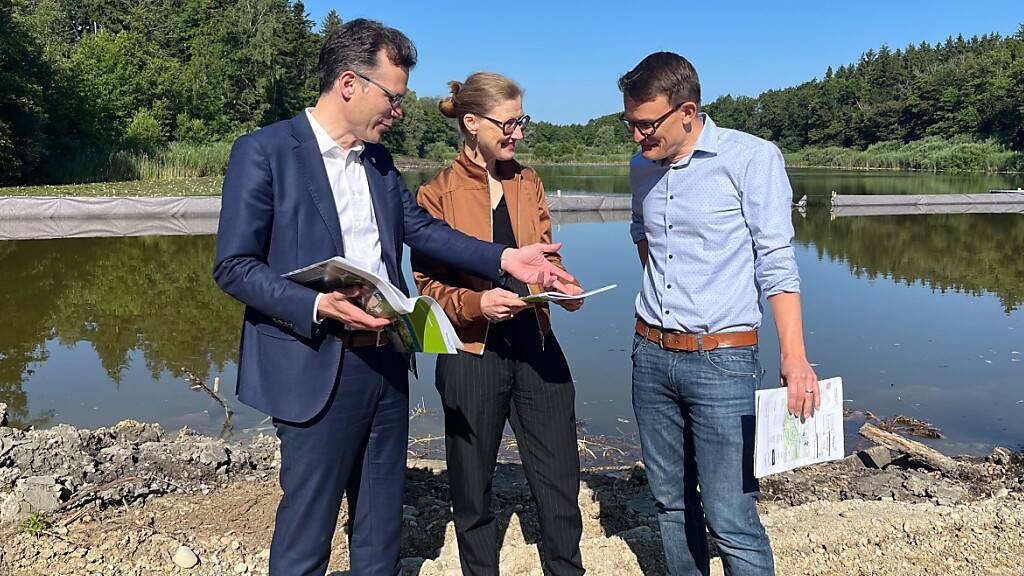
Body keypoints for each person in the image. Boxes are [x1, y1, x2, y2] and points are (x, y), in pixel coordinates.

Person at [212, 20, 574, 576]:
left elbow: (424, 231)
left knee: (381, 527)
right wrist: (316, 305)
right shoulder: (264, 152)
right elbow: (234, 267)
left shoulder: (379, 162)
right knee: (307, 529)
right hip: (314, 362)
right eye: (393, 97)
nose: (399, 111)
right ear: (350, 84)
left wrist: (505, 259)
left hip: (384, 358)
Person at [620, 52, 819, 575]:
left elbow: (776, 262)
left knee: (731, 513)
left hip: (722, 361)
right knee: (670, 504)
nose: (637, 137)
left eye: (645, 125)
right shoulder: (642, 166)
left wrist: (794, 358)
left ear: (686, 111)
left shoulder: (751, 158)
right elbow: (644, 236)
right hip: (650, 356)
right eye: (630, 124)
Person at [411, 72, 586, 576]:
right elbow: (427, 291)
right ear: (472, 123)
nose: (518, 133)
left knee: (559, 482)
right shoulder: (434, 194)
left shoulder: (528, 181)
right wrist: (476, 305)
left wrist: (565, 286)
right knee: (472, 492)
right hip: (471, 354)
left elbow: (547, 256)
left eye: (521, 122)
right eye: (508, 123)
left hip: (536, 341)